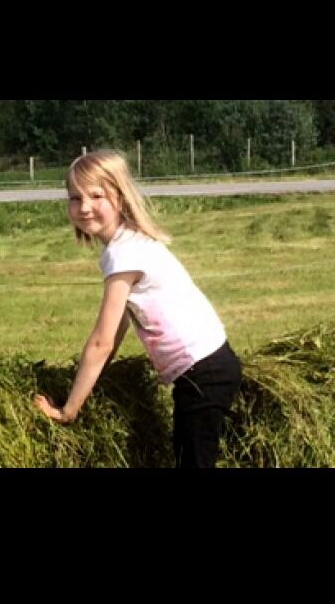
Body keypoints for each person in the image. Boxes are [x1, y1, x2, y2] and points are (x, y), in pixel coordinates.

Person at [34, 149, 242, 468]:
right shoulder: (128, 244)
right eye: (75, 198)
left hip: (204, 372)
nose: (84, 206)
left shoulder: (124, 256)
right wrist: (96, 380)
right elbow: (117, 330)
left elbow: (101, 341)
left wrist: (68, 410)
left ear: (119, 197)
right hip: (207, 367)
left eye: (96, 195)